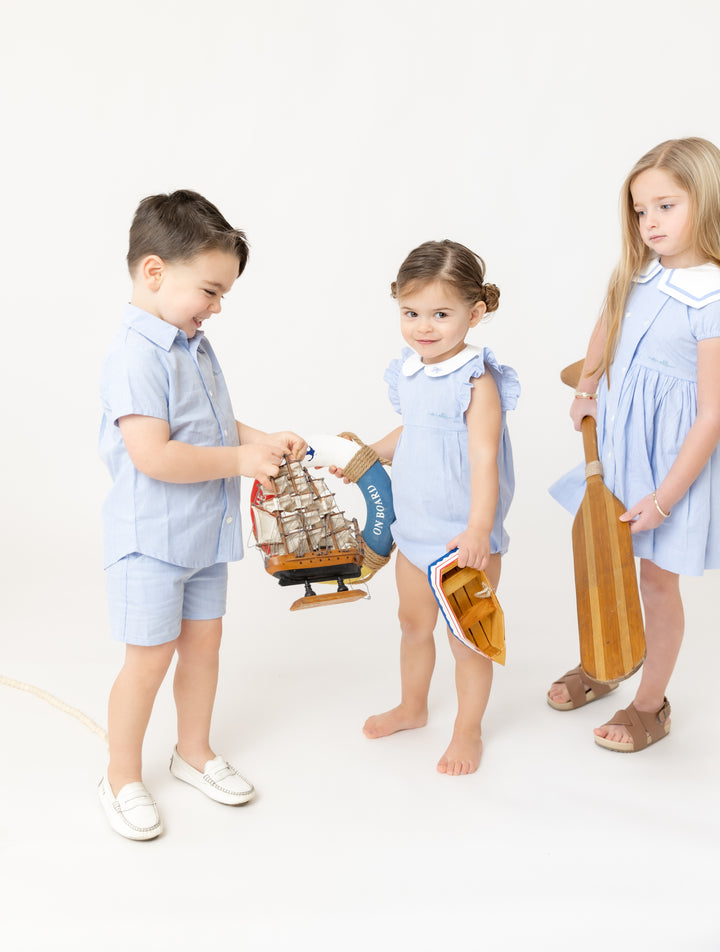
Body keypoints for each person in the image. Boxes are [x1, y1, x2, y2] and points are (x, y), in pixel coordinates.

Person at [98, 190, 306, 839]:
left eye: (222, 296)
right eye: (210, 291)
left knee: (204, 647)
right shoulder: (136, 354)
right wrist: (241, 461)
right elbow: (155, 455)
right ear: (155, 272)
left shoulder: (190, 340)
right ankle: (121, 775)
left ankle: (193, 751)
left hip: (202, 536)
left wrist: (259, 439)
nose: (216, 308)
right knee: (149, 659)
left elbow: (210, 424)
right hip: (154, 541)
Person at [547, 137, 720, 751]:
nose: (650, 222)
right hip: (621, 448)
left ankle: (651, 704)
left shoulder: (713, 298)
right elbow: (606, 324)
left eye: (667, 206)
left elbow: (710, 416)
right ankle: (606, 660)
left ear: (708, 199)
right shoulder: (640, 273)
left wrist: (667, 498)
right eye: (641, 210)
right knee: (606, 562)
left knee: (655, 581)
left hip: (671, 466)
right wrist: (588, 385)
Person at [334, 240, 519, 775]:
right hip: (413, 533)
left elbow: (484, 458)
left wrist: (479, 530)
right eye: (411, 313)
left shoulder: (477, 380)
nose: (424, 327)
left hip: (464, 539)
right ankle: (413, 707)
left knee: (468, 642)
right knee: (413, 625)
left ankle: (467, 730)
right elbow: (413, 434)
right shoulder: (412, 370)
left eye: (441, 314)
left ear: (474, 313)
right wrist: (365, 454)